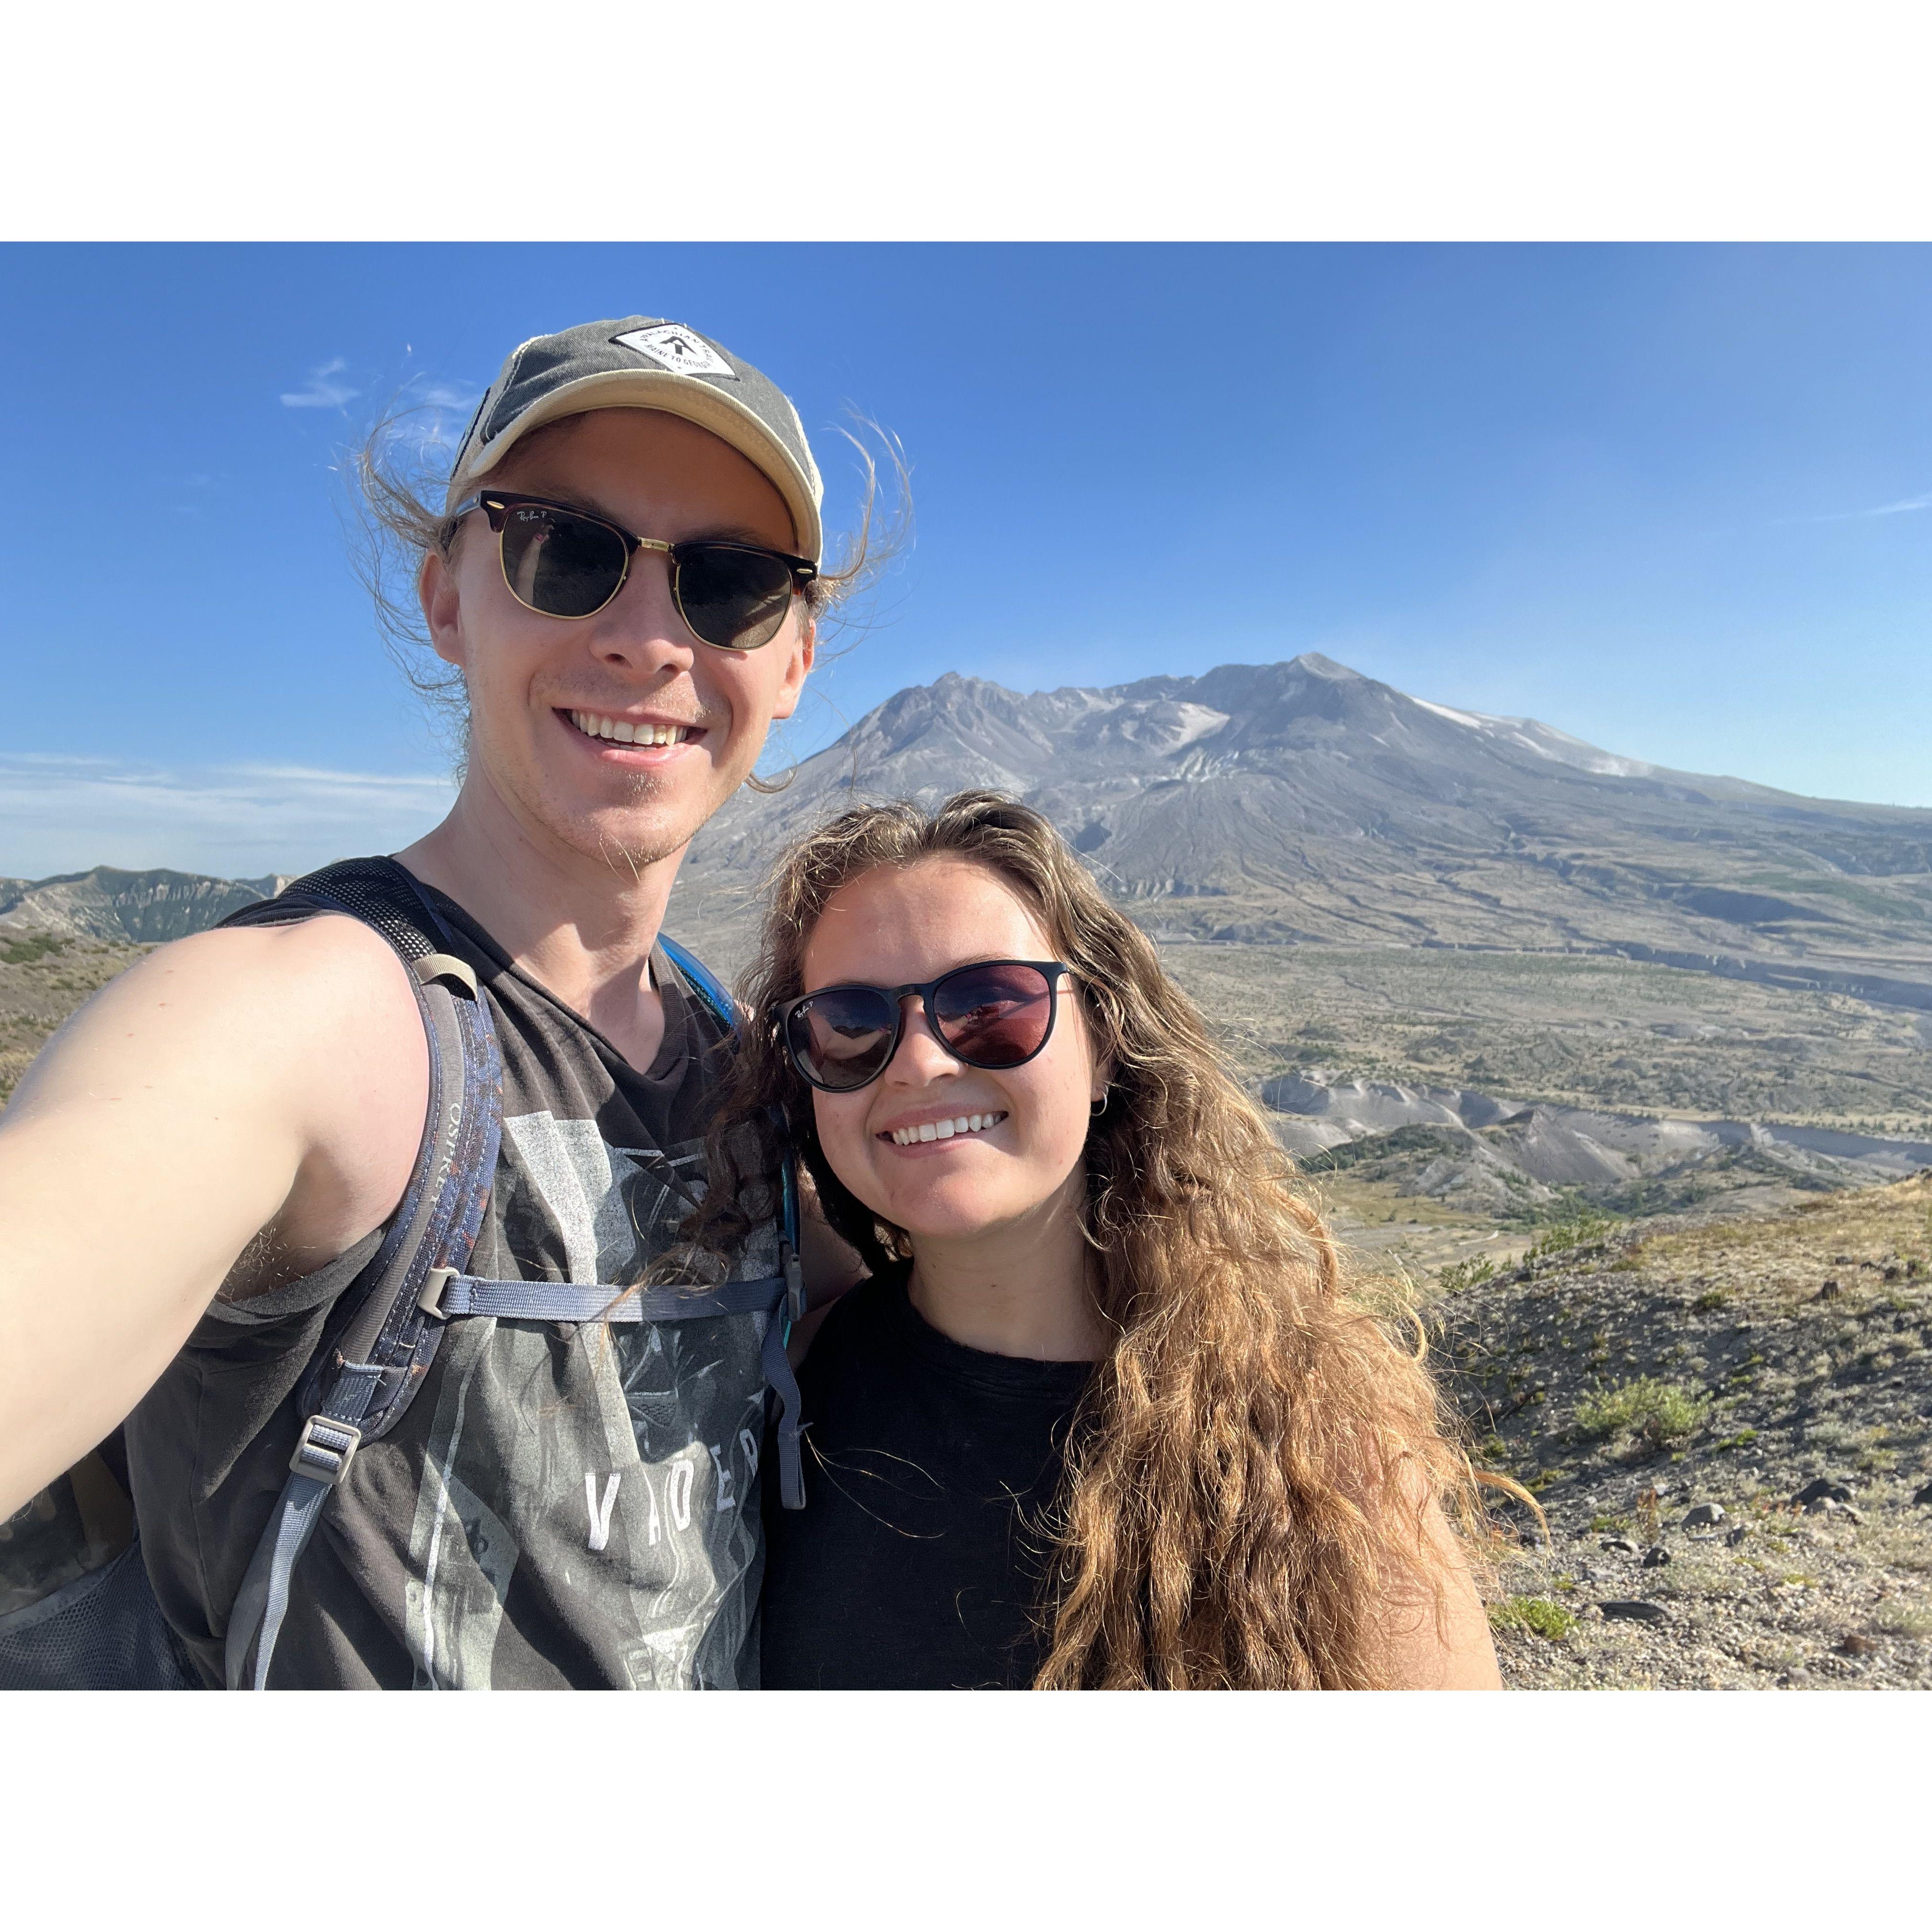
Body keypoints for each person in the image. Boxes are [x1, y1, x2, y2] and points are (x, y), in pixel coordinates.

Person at [0, 314, 874, 1688]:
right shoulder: (304, 1018)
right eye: (566, 551)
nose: (649, 638)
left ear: (794, 661)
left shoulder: (742, 1059)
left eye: (732, 582)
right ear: (450, 596)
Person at [690, 791, 1504, 1690]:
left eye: (991, 1006)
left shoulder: (1316, 1453)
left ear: (1106, 1041)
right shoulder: (785, 1384)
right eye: (850, 1026)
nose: (921, 1061)